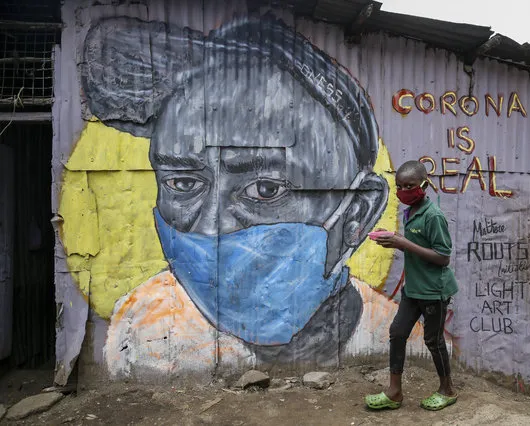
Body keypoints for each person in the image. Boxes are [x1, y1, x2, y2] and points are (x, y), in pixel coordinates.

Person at [81, 16, 428, 377]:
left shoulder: (396, 340)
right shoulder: (139, 330)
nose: (213, 225)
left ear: (356, 214)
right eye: (183, 184)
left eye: (265, 190)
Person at [365, 160, 458, 411]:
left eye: (410, 185)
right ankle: (394, 392)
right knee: (397, 332)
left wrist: (402, 243)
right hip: (413, 289)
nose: (404, 190)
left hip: (433, 291)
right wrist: (394, 238)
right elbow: (417, 244)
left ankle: (447, 390)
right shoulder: (411, 212)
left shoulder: (434, 216)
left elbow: (443, 256)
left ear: (424, 185)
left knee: (433, 340)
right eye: (400, 186)